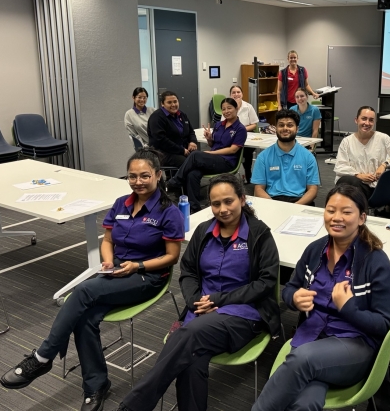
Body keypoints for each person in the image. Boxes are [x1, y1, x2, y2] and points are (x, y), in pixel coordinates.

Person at [0, 149, 184, 411]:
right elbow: (107, 241)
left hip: (148, 276)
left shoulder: (169, 211)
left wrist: (138, 265)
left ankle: (43, 356)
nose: (138, 181)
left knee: (84, 291)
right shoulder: (122, 203)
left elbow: (172, 257)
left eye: (145, 175)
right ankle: (96, 385)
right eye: (132, 176)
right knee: (84, 318)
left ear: (157, 175)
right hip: (117, 271)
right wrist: (107, 261)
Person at [115, 174, 280, 411]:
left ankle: (134, 405)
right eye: (215, 204)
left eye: (228, 201)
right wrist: (194, 301)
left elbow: (266, 282)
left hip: (243, 315)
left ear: (242, 200)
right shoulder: (204, 231)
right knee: (192, 359)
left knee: (186, 335)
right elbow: (188, 271)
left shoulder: (259, 233)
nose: (222, 209)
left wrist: (218, 300)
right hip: (201, 311)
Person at [252, 184, 390, 411]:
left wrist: (348, 308)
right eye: (330, 210)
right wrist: (294, 298)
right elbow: (290, 288)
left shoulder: (375, 261)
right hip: (313, 338)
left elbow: (383, 325)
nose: (336, 217)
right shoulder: (315, 250)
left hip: (356, 346)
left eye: (346, 212)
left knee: (302, 360)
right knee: (305, 403)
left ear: (362, 218)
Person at [167, 98, 246, 212]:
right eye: (223, 109)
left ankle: (174, 182)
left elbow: (233, 150)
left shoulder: (240, 129)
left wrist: (211, 153)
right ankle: (194, 207)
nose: (226, 111)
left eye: (229, 108)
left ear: (236, 109)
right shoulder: (219, 125)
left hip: (226, 162)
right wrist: (209, 138)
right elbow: (213, 144)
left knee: (195, 155)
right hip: (213, 160)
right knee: (192, 174)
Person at [334, 106, 390, 200]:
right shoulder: (346, 141)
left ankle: (357, 210)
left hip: (375, 187)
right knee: (348, 182)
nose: (367, 123)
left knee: (349, 188)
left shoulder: (382, 138)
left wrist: (385, 164)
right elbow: (340, 166)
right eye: (364, 119)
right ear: (356, 120)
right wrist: (358, 175)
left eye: (371, 120)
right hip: (353, 183)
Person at [252, 109, 319, 206]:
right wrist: (274, 206)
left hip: (300, 201)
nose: (285, 128)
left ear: (297, 129)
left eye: (290, 125)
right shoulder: (263, 156)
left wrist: (295, 207)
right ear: (276, 128)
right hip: (271, 200)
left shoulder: (308, 157)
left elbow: (313, 190)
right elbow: (258, 189)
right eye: (281, 125)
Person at [147, 91, 198, 168]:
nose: (173, 105)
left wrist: (192, 142)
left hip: (182, 151)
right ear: (162, 104)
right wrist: (181, 150)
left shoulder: (182, 115)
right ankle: (178, 180)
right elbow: (161, 140)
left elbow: (191, 131)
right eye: (169, 102)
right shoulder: (157, 117)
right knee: (189, 165)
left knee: (200, 159)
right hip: (163, 153)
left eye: (175, 101)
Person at [223, 85, 259, 183]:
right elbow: (223, 124)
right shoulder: (227, 107)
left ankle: (248, 175)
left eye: (238, 92)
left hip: (247, 135)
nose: (236, 94)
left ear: (242, 94)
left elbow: (254, 124)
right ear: (230, 95)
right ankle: (228, 175)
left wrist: (241, 130)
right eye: (233, 92)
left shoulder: (248, 107)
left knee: (247, 152)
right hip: (231, 135)